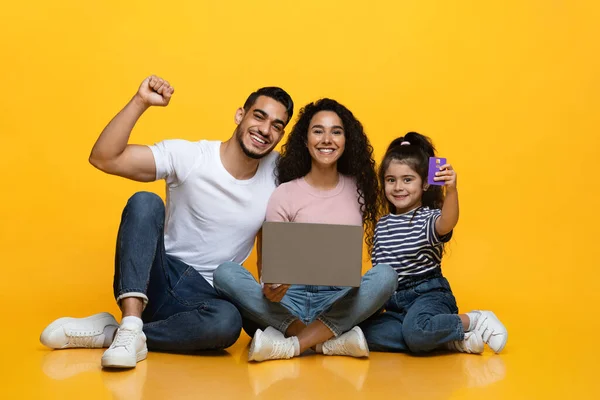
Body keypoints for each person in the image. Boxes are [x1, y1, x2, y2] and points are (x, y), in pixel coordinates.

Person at [39, 75, 294, 368]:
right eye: (259, 117)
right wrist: (140, 102)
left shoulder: (279, 173)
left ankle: (119, 334)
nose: (265, 130)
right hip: (158, 278)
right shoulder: (191, 156)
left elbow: (275, 230)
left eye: (277, 126)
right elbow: (104, 158)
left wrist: (272, 282)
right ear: (240, 115)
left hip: (210, 297)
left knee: (228, 324)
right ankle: (132, 321)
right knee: (145, 202)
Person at [214, 98, 398, 362]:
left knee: (385, 275)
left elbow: (405, 198)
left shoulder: (361, 190)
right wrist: (272, 286)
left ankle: (293, 344)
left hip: (339, 298)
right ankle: (322, 340)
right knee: (225, 274)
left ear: (347, 141)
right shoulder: (284, 194)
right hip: (290, 300)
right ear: (305, 139)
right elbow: (271, 268)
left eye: (336, 131)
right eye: (318, 131)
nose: (327, 139)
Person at [360, 132, 508, 354]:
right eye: (391, 180)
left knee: (416, 330)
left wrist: (452, 191)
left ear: (426, 185)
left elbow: (447, 223)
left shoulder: (427, 218)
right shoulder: (382, 225)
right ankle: (447, 339)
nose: (398, 187)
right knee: (364, 333)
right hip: (395, 304)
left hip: (428, 296)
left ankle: (474, 320)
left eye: (407, 180)